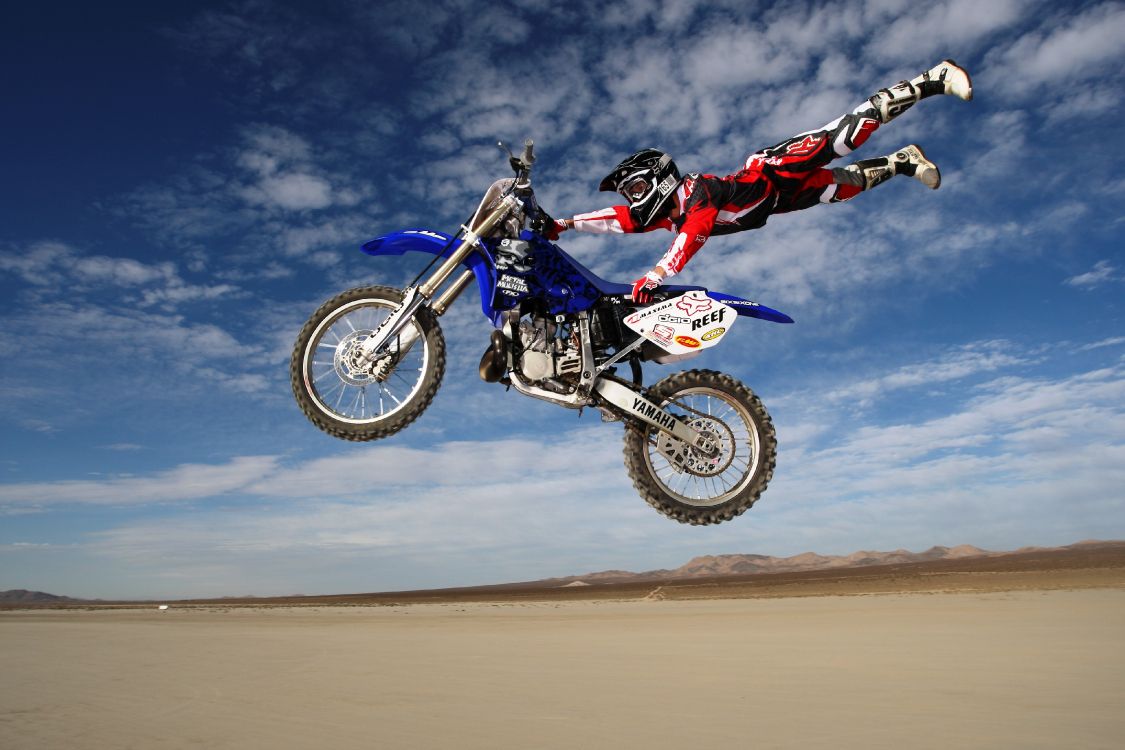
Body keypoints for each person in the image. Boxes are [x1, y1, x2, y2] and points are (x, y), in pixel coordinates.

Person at [550, 60, 973, 303]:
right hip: (779, 201)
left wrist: (657, 274)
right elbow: (619, 219)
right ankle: (902, 162)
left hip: (772, 170)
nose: (635, 201)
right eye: (632, 194)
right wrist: (565, 225)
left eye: (638, 189)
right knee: (843, 188)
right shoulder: (667, 215)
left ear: (658, 179)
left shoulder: (694, 193)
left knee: (842, 138)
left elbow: (695, 233)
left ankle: (933, 78)